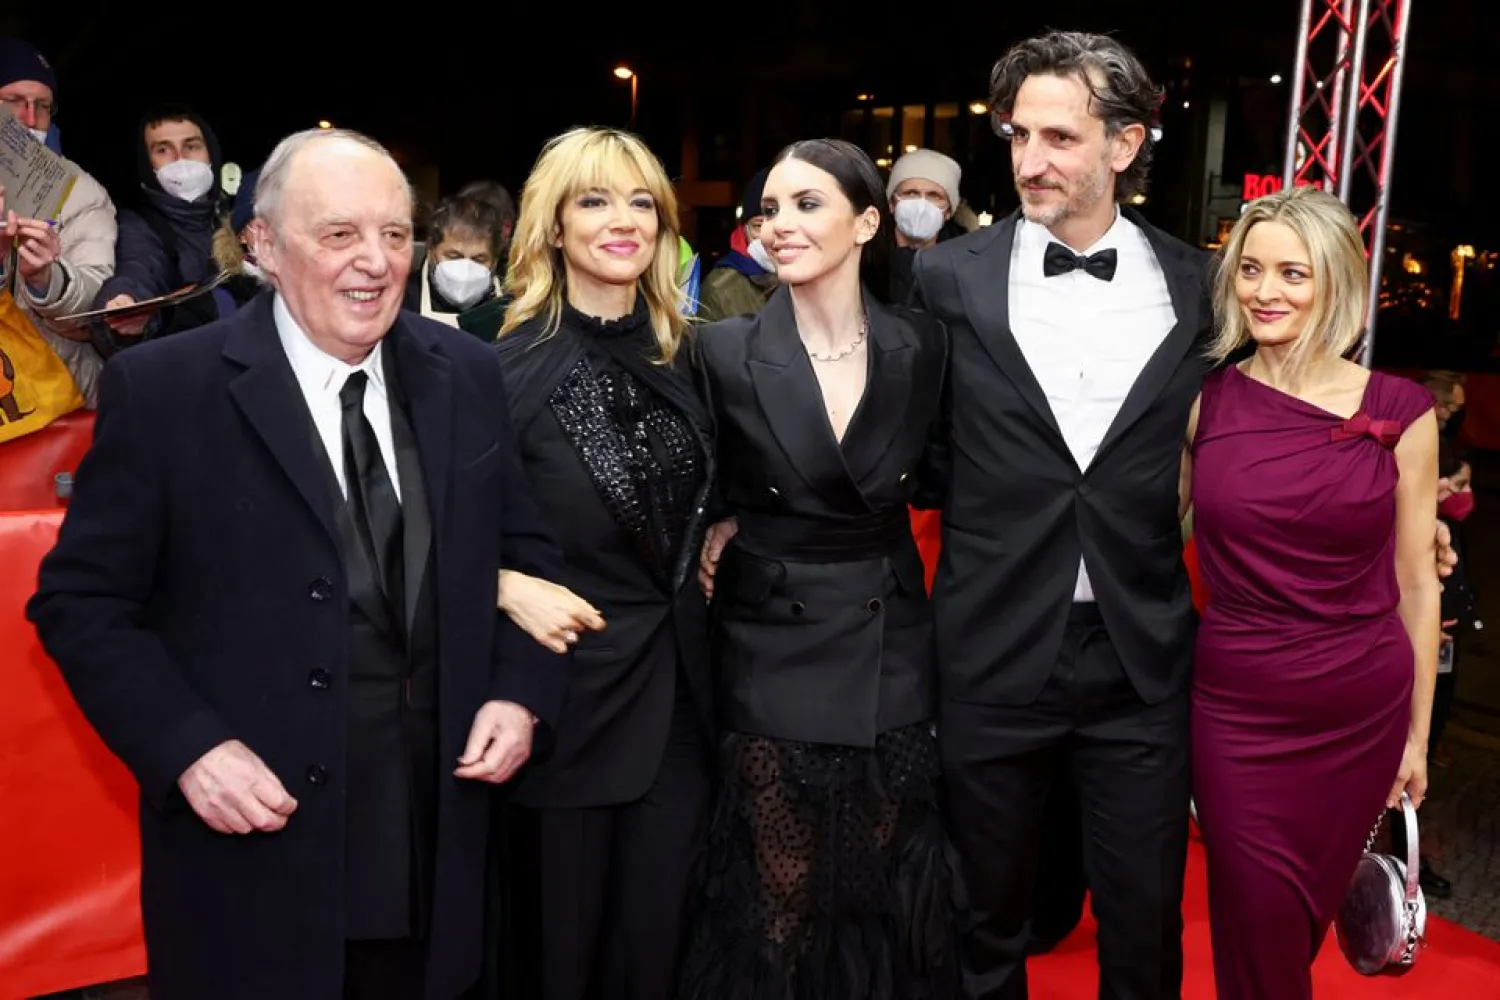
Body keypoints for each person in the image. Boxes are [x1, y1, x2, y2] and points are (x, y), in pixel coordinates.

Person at [26, 128, 568, 1000]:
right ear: (265, 247)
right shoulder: (166, 390)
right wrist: (188, 749)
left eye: (395, 235)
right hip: (258, 861)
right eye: (340, 234)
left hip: (438, 853)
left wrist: (518, 692)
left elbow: (525, 554)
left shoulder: (465, 373)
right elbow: (81, 606)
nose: (377, 262)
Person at [905, 31, 1207, 999]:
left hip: (1139, 653)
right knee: (982, 919)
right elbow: (918, 446)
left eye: (1060, 138)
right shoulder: (946, 281)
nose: (1030, 160)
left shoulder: (1197, 286)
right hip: (993, 647)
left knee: (1144, 924)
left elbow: (1249, 435)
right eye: (1017, 134)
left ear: (1124, 145)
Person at [681, 138, 956, 1000]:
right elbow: (699, 482)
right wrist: (719, 522)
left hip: (893, 641)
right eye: (770, 208)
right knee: (778, 891)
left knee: (878, 881)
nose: (780, 225)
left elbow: (948, 472)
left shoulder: (923, 346)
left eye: (807, 204)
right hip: (769, 644)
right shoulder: (720, 349)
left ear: (867, 222)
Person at [1187, 185, 1439, 999]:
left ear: (1337, 283)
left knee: (1297, 926)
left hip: (1359, 707)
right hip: (1238, 706)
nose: (1266, 291)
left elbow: (1414, 581)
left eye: (1293, 273)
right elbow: (1150, 539)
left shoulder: (1402, 411)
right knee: (1255, 917)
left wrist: (1416, 738)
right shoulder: (1205, 402)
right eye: (1251, 270)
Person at [493, 126, 716, 1000]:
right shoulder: (498, 370)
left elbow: (731, 489)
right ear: (552, 225)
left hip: (685, 698)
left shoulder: (694, 355)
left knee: (660, 939)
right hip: (564, 701)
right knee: (562, 946)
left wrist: (725, 529)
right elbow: (425, 525)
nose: (623, 221)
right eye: (594, 200)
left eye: (641, 204)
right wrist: (501, 585)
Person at [404, 195, 507, 340]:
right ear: (431, 251)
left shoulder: (511, 308)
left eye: (479, 259)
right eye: (454, 256)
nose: (466, 269)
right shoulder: (402, 300)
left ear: (495, 261)